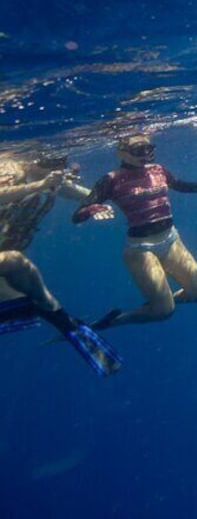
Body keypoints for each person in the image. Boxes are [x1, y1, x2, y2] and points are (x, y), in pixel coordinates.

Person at [72, 133, 197, 330]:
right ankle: (114, 321)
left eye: (150, 148)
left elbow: (182, 186)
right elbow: (77, 215)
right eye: (139, 149)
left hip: (171, 240)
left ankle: (159, 301)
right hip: (141, 249)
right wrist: (93, 209)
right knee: (164, 312)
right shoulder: (111, 179)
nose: (146, 153)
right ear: (121, 153)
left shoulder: (158, 170)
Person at [0, 153, 122, 376]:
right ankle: (53, 316)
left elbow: (83, 194)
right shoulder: (8, 170)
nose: (55, 168)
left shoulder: (52, 180)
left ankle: (65, 323)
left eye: (60, 162)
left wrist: (95, 206)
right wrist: (38, 185)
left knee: (34, 300)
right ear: (31, 159)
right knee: (17, 267)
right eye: (49, 162)